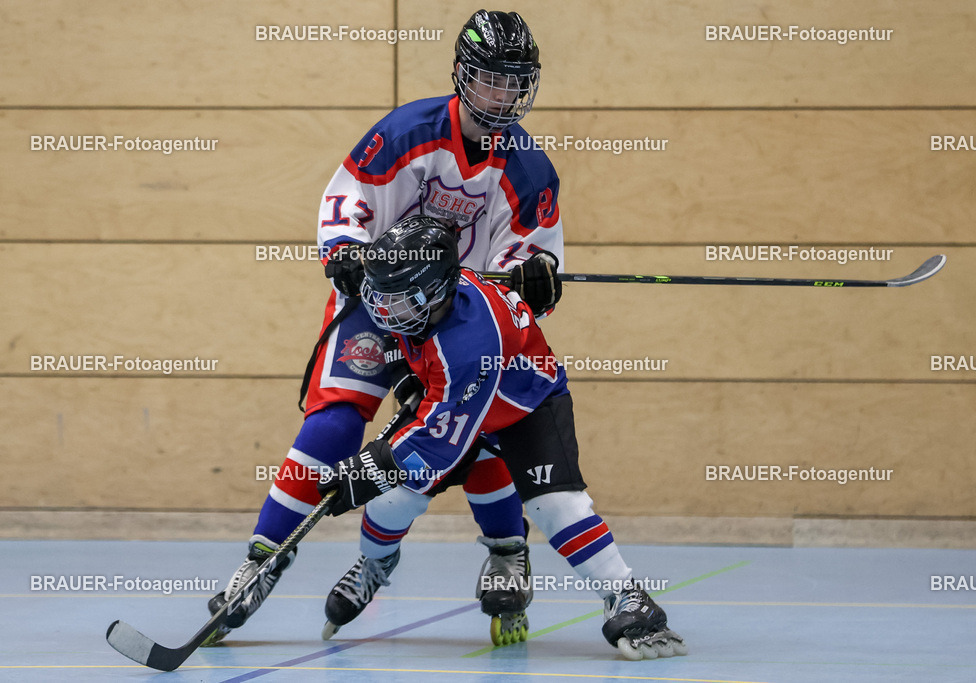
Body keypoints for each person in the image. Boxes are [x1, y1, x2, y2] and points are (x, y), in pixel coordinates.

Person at [203, 9, 562, 647]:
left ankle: (508, 551)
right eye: (491, 79)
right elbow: (349, 198)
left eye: (515, 82)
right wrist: (344, 245)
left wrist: (536, 277)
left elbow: (529, 260)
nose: (503, 95)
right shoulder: (407, 131)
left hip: (461, 317)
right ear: (463, 75)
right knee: (335, 423)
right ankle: (262, 560)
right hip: (380, 302)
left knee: (480, 435)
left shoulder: (530, 168)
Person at [316, 216, 688, 660]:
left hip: (525, 405)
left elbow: (437, 445)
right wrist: (405, 379)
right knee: (394, 501)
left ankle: (629, 597)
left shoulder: (468, 342)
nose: (383, 310)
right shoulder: (416, 300)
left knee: (555, 506)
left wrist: (372, 467)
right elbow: (397, 339)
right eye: (379, 296)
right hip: (455, 398)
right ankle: (376, 561)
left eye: (396, 299)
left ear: (438, 291)